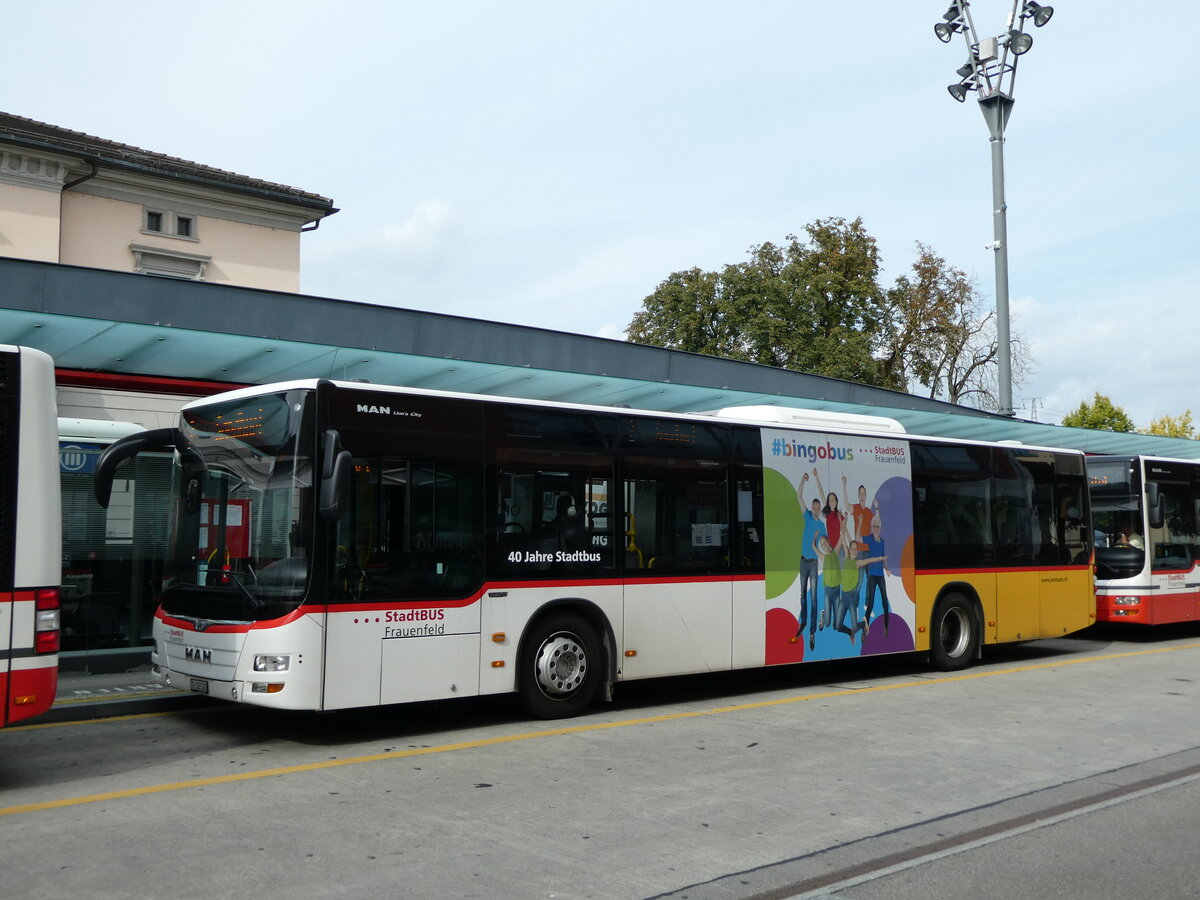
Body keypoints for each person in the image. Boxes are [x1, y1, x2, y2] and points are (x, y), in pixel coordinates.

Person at [795, 472, 826, 651]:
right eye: (813, 507)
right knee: (802, 595)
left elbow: (824, 545)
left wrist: (821, 542)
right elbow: (798, 496)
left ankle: (812, 630)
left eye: (816, 507)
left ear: (819, 509)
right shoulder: (806, 516)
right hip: (803, 561)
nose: (814, 509)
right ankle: (804, 624)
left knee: (813, 598)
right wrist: (803, 480)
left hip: (813, 563)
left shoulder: (821, 526)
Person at [862, 514, 891, 636]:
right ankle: (865, 628)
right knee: (871, 602)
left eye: (877, 526)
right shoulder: (869, 539)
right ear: (871, 528)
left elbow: (883, 558)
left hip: (881, 575)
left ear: (880, 528)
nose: (875, 528)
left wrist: (887, 569)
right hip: (872, 576)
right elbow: (858, 537)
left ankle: (886, 628)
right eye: (874, 526)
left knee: (885, 601)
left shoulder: (883, 541)